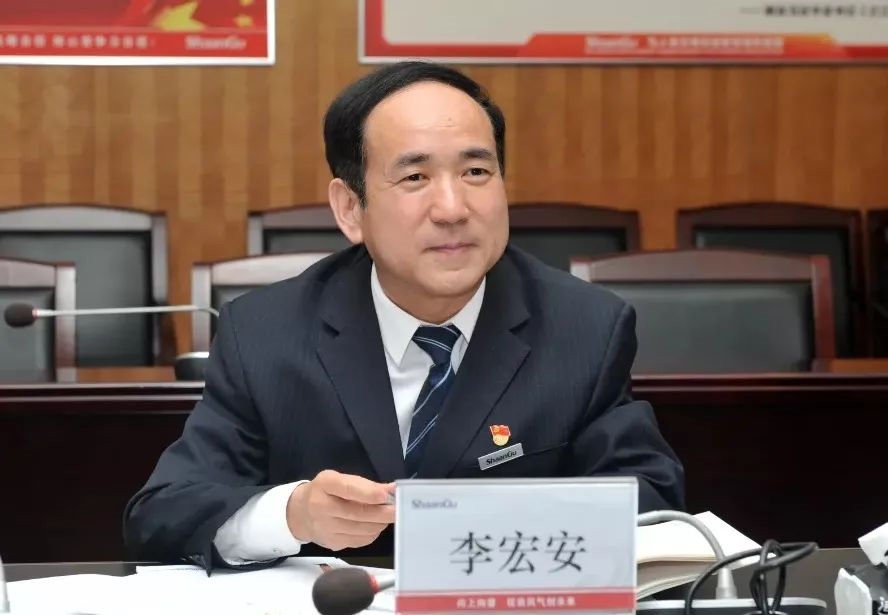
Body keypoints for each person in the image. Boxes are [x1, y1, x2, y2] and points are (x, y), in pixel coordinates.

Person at [123, 61, 684, 570]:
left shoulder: (584, 327)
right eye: (415, 178)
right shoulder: (266, 333)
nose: (453, 209)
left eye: (476, 172)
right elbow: (162, 516)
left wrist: (482, 526)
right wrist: (293, 515)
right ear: (350, 208)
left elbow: (652, 504)